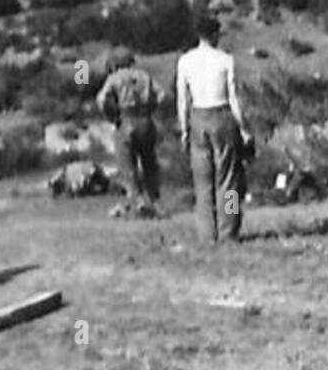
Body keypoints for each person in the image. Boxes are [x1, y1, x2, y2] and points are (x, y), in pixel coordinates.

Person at [176, 12, 252, 243]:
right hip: (222, 116)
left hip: (198, 117)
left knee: (203, 182)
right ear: (215, 34)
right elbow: (234, 99)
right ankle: (228, 231)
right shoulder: (226, 60)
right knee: (228, 180)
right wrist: (244, 127)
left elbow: (183, 99)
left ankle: (207, 234)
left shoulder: (185, 61)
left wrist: (184, 129)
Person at [95, 46, 163, 217]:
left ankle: (136, 201)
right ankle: (153, 200)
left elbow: (102, 99)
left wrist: (112, 116)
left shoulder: (114, 78)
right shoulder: (144, 75)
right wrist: (150, 108)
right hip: (146, 120)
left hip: (125, 119)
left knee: (127, 165)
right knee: (149, 162)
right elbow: (161, 94)